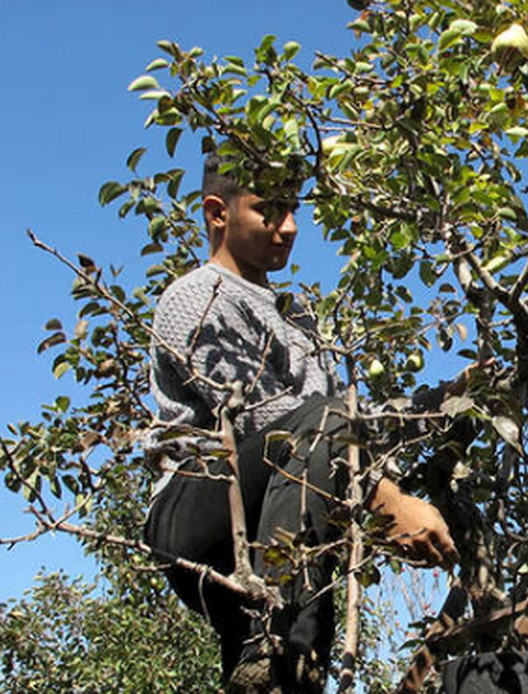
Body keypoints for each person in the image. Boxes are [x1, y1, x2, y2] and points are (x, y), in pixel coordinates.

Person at [143, 153, 459, 693]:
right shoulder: (196, 295)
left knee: (288, 670)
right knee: (328, 422)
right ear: (217, 213)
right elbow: (267, 419)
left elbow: (345, 433)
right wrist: (386, 501)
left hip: (274, 525)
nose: (289, 226)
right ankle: (273, 643)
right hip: (196, 513)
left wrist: (447, 403)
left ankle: (284, 665)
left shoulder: (297, 318)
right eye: (269, 210)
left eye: (292, 208)